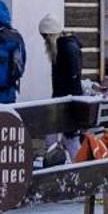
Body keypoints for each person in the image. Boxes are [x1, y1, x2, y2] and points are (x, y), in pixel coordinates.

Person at [38, 13, 86, 166]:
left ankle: (80, 170)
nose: (44, 40)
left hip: (68, 102)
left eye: (45, 36)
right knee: (60, 138)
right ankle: (69, 167)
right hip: (63, 100)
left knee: (70, 139)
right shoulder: (62, 47)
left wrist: (71, 105)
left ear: (50, 34)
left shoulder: (67, 48)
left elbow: (74, 78)